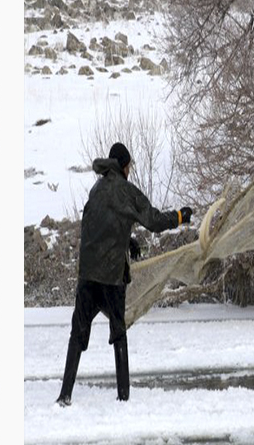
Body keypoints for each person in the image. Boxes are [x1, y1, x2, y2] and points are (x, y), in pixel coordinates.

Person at [56, 142, 193, 406]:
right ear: (124, 165)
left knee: (77, 333)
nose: (130, 169)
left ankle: (65, 395)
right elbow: (152, 220)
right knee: (119, 332)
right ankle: (123, 396)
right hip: (110, 279)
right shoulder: (125, 190)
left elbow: (96, 224)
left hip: (87, 276)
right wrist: (179, 216)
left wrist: (125, 239)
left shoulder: (97, 189)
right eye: (129, 165)